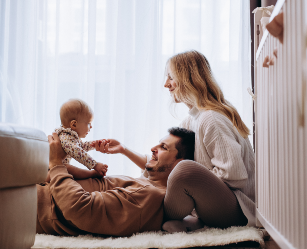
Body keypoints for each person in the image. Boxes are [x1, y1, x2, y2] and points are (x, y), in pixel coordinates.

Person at [36, 127, 195, 237]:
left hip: (35, 203)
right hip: (39, 187)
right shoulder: (145, 185)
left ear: (179, 163)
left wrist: (56, 163)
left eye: (164, 147)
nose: (153, 148)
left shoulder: (149, 194)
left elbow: (80, 209)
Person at [161, 50, 256, 232]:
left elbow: (234, 175)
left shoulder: (211, 118)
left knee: (184, 169)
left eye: (171, 77)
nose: (166, 84)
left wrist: (194, 181)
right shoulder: (193, 119)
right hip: (221, 205)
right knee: (166, 168)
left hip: (239, 210)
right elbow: (163, 154)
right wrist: (123, 150)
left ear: (188, 79)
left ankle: (145, 216)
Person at [54, 98, 107, 178]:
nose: (91, 127)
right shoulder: (65, 137)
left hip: (52, 169)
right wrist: (95, 165)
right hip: (49, 171)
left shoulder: (70, 137)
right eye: (88, 123)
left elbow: (80, 146)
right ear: (74, 125)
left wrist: (93, 144)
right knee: (65, 168)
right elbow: (77, 151)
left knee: (65, 167)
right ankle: (91, 174)